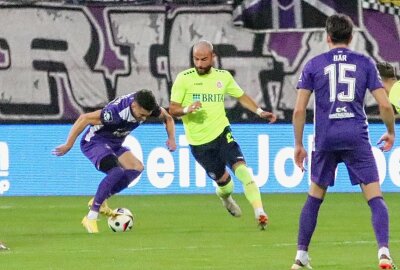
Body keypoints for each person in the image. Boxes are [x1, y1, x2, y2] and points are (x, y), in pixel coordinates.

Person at [291, 14, 396, 269]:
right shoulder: (365, 63)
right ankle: (383, 253)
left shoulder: (314, 64)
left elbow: (298, 110)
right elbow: (384, 104)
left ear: (327, 37)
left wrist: (298, 145)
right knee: (375, 197)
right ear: (352, 37)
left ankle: (300, 257)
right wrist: (391, 131)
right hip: (355, 136)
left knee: (314, 197)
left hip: (325, 137)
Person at [169, 40, 277, 230]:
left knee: (243, 170)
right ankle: (226, 199)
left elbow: (241, 96)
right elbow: (173, 109)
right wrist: (187, 109)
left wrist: (260, 112)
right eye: (196, 59)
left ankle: (259, 212)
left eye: (204, 59)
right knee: (225, 185)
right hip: (199, 143)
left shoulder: (223, 77)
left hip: (222, 133)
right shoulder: (183, 78)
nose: (200, 64)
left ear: (213, 57)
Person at [53, 90, 176, 233]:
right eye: (141, 115)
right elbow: (84, 118)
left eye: (146, 116)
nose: (143, 119)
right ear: (134, 105)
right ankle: (91, 217)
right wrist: (68, 144)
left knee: (136, 167)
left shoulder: (149, 108)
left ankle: (99, 199)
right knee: (116, 171)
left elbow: (168, 118)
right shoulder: (115, 113)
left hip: (115, 143)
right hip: (94, 142)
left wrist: (171, 138)